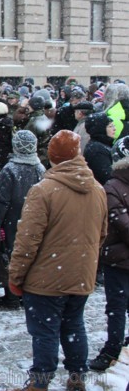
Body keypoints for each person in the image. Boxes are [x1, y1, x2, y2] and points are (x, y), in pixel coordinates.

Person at [8, 130, 107, 391]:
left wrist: (16, 276)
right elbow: (102, 234)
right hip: (81, 275)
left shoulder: (43, 191)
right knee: (74, 325)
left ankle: (39, 383)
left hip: (46, 280)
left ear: (51, 157)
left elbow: (27, 241)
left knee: (45, 332)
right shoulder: (97, 189)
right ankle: (77, 379)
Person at [0, 131, 45, 309]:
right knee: (30, 255)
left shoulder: (10, 169)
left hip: (12, 219)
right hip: (33, 219)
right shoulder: (40, 168)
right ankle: (27, 294)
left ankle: (12, 296)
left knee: (11, 257)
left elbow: (2, 200)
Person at [89, 136, 129, 371]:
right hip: (119, 258)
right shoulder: (112, 187)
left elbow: (121, 224)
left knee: (116, 307)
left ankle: (112, 350)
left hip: (117, 260)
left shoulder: (112, 186)